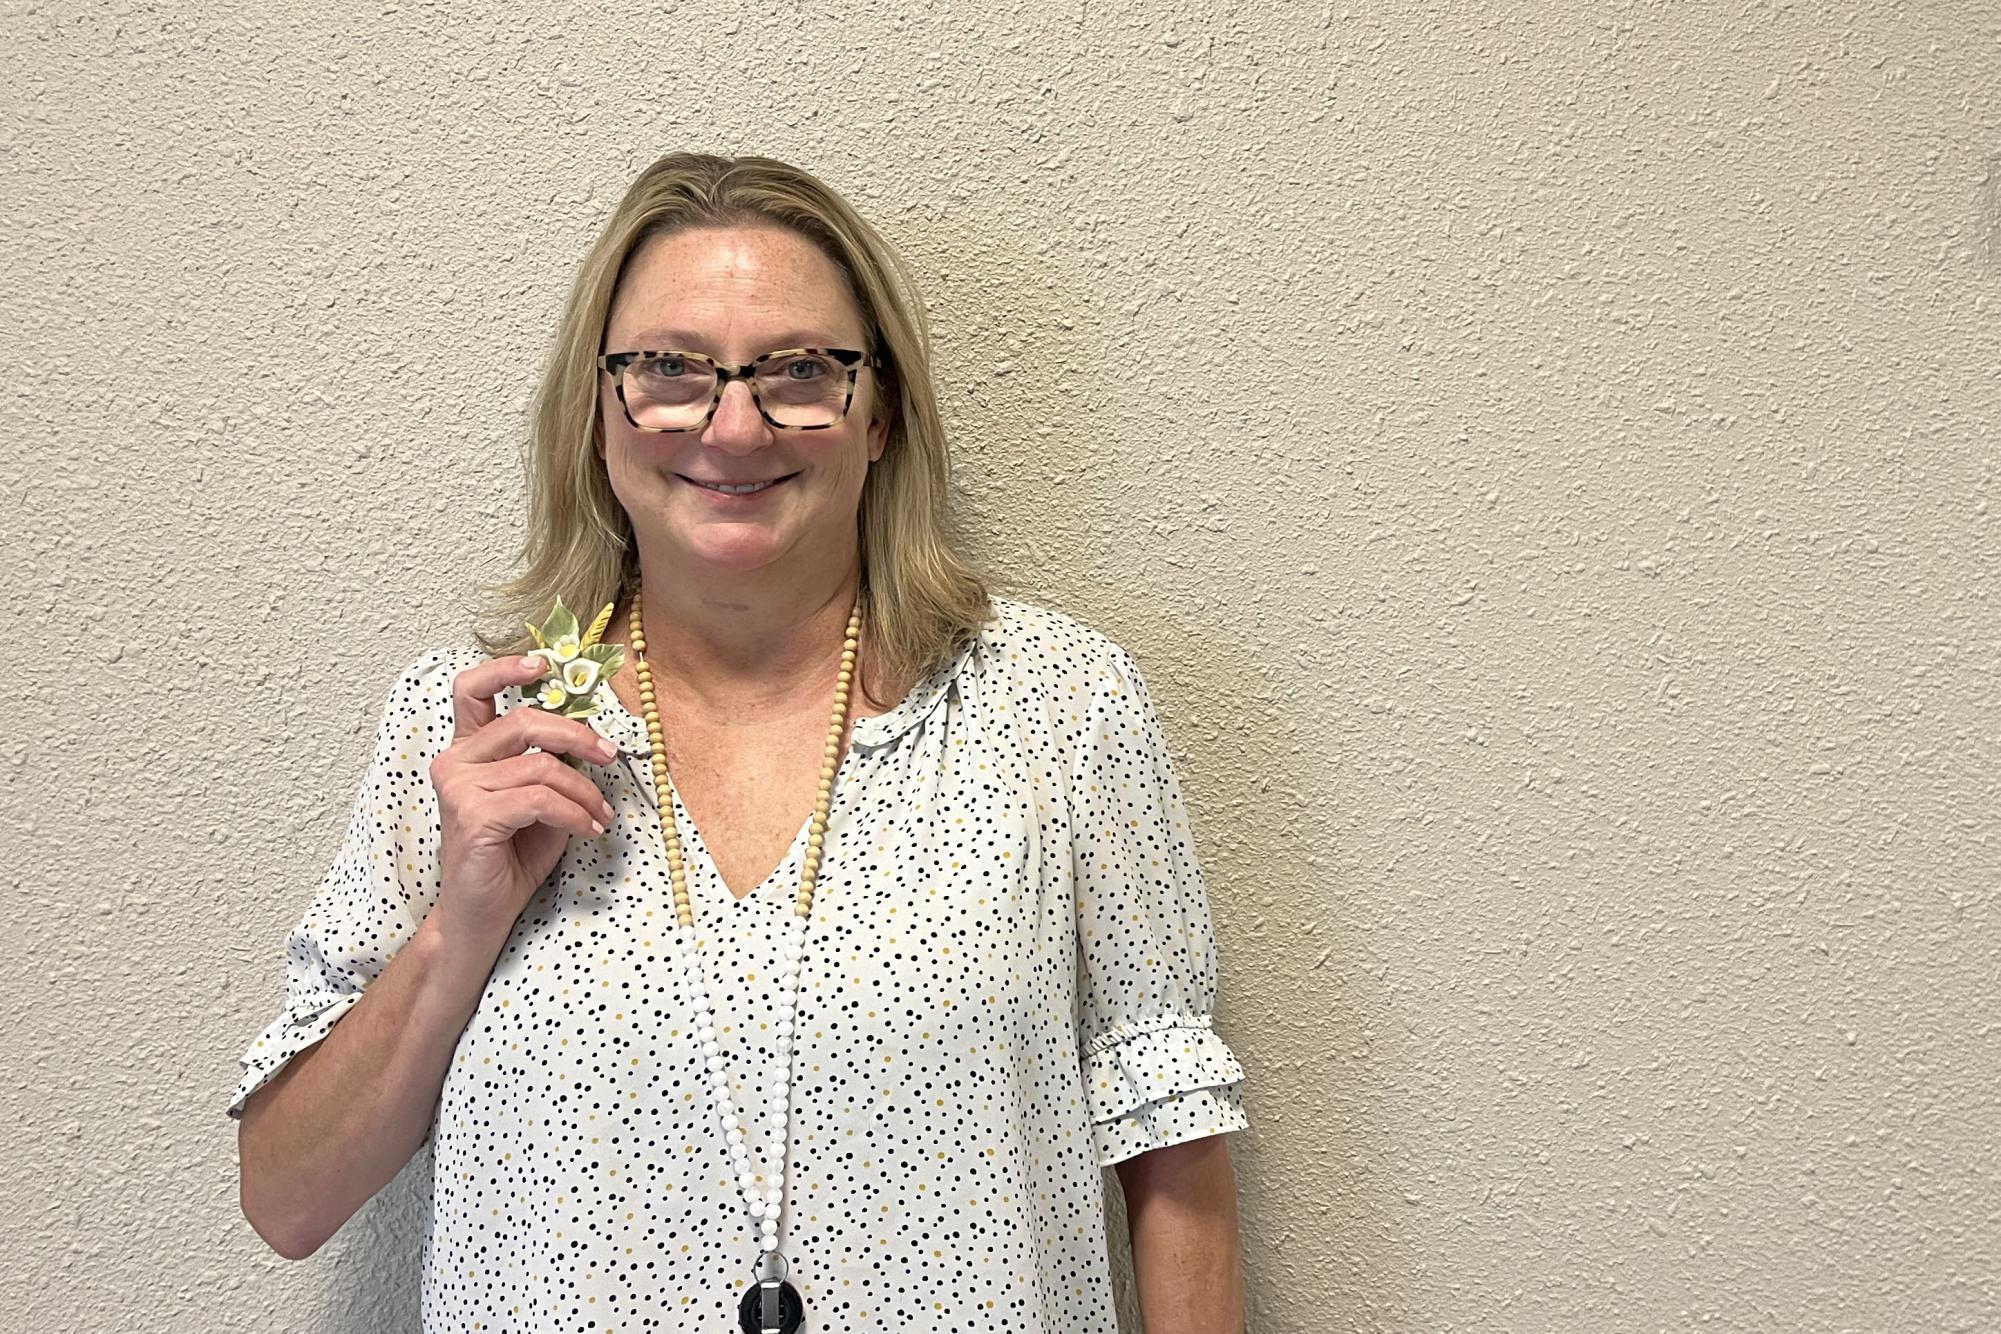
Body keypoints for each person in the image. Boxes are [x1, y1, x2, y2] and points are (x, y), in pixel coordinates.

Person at [227, 151, 1249, 1333]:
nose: (733, 422)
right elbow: (287, 1198)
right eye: (667, 369)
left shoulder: (1058, 704)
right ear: (599, 415)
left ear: (880, 416)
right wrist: (463, 925)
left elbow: (1175, 1159)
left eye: (801, 370)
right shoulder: (479, 726)